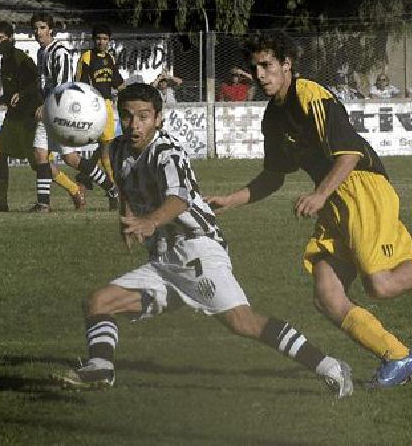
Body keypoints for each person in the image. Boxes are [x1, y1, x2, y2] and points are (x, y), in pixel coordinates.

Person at [205, 32, 412, 388]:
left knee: (381, 285)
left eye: (267, 65)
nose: (260, 75)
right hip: (335, 198)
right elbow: (273, 177)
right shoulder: (272, 120)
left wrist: (320, 195)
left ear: (287, 64)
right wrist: (231, 199)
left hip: (361, 186)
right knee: (326, 295)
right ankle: (398, 355)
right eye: (255, 67)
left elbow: (349, 153)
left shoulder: (311, 96)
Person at [56, 83, 353, 398]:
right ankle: (100, 367)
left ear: (158, 118)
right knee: (99, 302)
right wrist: (126, 221)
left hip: (197, 250)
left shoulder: (167, 152)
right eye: (128, 116)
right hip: (164, 261)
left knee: (243, 322)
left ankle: (331, 367)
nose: (134, 124)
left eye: (143, 116)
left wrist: (150, 221)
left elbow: (179, 199)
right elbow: (127, 188)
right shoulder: (116, 150)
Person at [0, 20, 44, 212]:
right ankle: (1, 203)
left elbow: (37, 81)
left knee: (39, 164)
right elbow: (11, 93)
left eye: (1, 38)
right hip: (13, 116)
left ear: (10, 38)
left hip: (28, 116)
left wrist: (23, 94)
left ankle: (74, 190)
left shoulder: (19, 57)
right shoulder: (5, 61)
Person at [29, 12, 86, 211]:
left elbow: (63, 86)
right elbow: (43, 83)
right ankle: (43, 204)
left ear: (51, 29)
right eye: (35, 28)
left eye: (42, 27)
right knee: (39, 156)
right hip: (47, 110)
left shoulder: (60, 52)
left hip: (60, 111)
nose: (38, 32)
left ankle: (111, 188)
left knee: (70, 159)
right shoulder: (40, 52)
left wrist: (45, 106)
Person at [75, 23, 125, 209]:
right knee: (106, 147)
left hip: (107, 104)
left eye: (105, 39)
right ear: (93, 40)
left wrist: (131, 92)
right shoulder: (87, 57)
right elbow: (80, 83)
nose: (101, 42)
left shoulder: (111, 58)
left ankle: (85, 176)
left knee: (106, 145)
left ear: (109, 41)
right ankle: (112, 188)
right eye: (98, 39)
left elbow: (117, 82)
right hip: (93, 105)